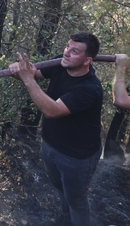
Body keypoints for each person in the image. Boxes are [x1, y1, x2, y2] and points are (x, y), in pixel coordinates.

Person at [9, 32, 103, 226]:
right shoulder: (62, 63)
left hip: (76, 157)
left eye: (74, 51)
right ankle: (65, 221)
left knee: (76, 200)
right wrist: (21, 71)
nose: (66, 52)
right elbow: (35, 74)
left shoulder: (89, 88)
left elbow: (52, 110)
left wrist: (27, 79)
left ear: (87, 60)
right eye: (67, 46)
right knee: (60, 188)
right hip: (50, 145)